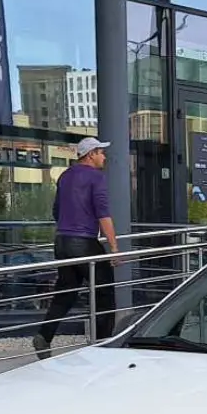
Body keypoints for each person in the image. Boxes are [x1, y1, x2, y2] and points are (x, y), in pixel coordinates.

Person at [36, 137, 120, 358]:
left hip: (62, 241)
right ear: (90, 154)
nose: (104, 156)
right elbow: (103, 213)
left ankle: (44, 335)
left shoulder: (65, 176)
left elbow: (57, 210)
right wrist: (113, 247)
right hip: (83, 241)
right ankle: (104, 346)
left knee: (66, 292)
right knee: (105, 293)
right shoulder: (95, 177)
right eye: (101, 152)